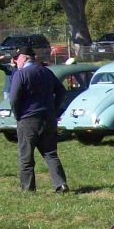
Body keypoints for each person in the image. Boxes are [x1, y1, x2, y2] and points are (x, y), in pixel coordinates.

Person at [8, 47, 68, 193]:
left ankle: (28, 189)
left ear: (24, 58)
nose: (16, 62)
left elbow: (14, 98)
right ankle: (61, 184)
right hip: (48, 118)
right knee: (50, 153)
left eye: (17, 59)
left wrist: (18, 114)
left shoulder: (21, 74)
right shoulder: (46, 72)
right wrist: (53, 109)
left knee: (26, 156)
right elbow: (61, 91)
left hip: (28, 119)